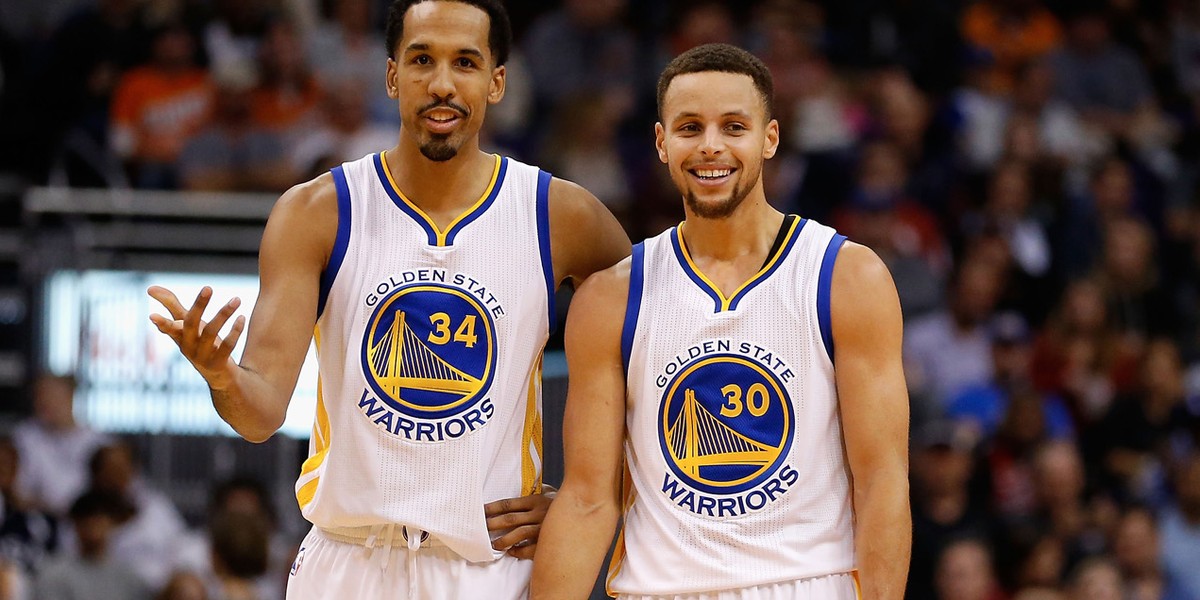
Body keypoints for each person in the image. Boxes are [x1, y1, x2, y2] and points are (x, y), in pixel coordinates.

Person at [146, 0, 630, 598]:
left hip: (484, 567)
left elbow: (659, 365)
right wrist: (223, 377)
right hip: (344, 562)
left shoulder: (562, 216)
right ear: (392, 75)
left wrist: (583, 492)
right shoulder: (315, 212)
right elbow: (261, 413)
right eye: (422, 59)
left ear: (497, 82)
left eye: (466, 62)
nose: (443, 83)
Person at [530, 43, 910, 599]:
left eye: (734, 126)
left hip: (806, 583)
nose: (711, 146)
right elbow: (588, 499)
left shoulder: (846, 277)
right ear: (662, 143)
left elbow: (882, 483)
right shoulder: (612, 297)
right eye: (689, 127)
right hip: (659, 588)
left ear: (770, 138)